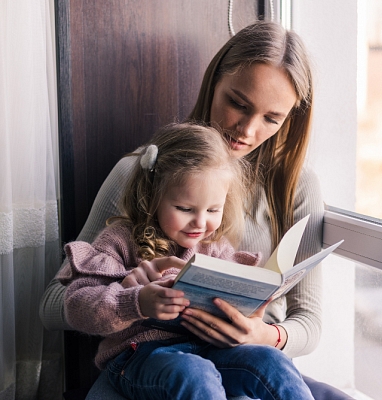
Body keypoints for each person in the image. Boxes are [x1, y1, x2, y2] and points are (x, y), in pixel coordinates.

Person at [40, 20, 347, 399]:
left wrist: (264, 333)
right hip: (153, 357)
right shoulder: (142, 173)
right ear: (213, 81)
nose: (248, 130)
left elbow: (310, 321)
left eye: (272, 119)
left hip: (247, 358)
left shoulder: (297, 187)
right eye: (238, 103)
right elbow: (53, 303)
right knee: (192, 377)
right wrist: (133, 292)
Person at [56, 122, 314, 400]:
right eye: (185, 209)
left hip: (209, 351)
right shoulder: (119, 240)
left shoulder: (216, 248)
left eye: (214, 209)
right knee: (192, 372)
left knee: (272, 362)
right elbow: (77, 306)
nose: (200, 223)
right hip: (138, 356)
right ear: (152, 196)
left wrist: (248, 312)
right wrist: (137, 301)